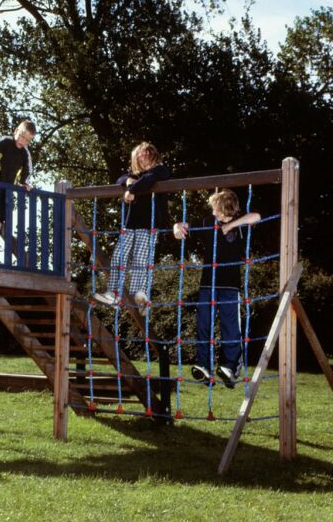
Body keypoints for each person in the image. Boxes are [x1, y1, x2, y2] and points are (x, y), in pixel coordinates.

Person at [175, 190, 261, 388]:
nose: (213, 212)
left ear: (225, 208)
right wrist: (176, 227)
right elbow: (183, 225)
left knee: (230, 327)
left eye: (216, 208)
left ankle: (230, 367)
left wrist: (230, 225)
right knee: (203, 324)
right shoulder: (208, 223)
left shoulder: (241, 226)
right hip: (207, 285)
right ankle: (203, 364)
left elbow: (256, 216)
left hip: (230, 287)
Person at [93, 142, 172, 315]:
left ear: (153, 155)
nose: (142, 159)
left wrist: (131, 189)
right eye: (138, 157)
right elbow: (120, 179)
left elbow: (149, 180)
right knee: (118, 258)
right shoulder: (135, 176)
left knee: (140, 260)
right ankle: (114, 292)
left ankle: (140, 295)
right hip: (130, 224)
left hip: (149, 224)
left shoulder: (160, 170)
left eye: (145, 155)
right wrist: (129, 182)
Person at [0, 121, 36, 263]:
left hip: (7, 189)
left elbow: (27, 169)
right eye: (22, 136)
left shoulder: (25, 153)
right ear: (16, 130)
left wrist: (24, 182)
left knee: (1, 219)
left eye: (27, 140)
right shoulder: (4, 141)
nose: (23, 141)